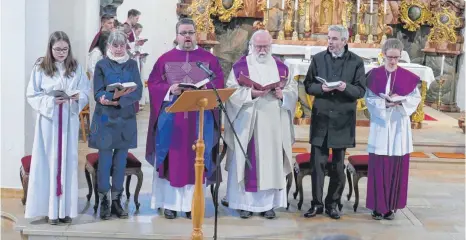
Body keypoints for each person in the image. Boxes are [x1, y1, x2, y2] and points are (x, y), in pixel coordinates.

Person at [146, 18, 224, 219]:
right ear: (177, 35)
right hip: (173, 121)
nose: (187, 36)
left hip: (200, 120)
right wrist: (170, 89)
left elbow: (220, 84)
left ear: (196, 34)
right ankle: (170, 204)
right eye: (183, 33)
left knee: (196, 161)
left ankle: (192, 205)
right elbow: (153, 84)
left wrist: (205, 90)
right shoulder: (165, 59)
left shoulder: (209, 60)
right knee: (172, 160)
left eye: (190, 32)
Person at [223, 30, 298, 219]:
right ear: (251, 46)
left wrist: (284, 95)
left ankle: (268, 205)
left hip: (273, 124)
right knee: (248, 162)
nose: (262, 50)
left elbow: (292, 91)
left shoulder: (282, 68)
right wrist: (250, 94)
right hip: (248, 121)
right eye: (259, 46)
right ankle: (245, 204)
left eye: (266, 46)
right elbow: (230, 92)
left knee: (271, 162)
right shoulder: (240, 67)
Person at [24, 31, 90, 225]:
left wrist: (78, 96)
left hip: (68, 121)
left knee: (67, 161)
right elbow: (32, 95)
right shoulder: (41, 67)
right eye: (57, 49)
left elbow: (85, 90)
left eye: (65, 49)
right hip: (49, 123)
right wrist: (51, 101)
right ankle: (49, 211)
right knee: (48, 162)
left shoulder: (75, 67)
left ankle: (65, 210)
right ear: (50, 48)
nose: (61, 53)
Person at [303, 25, 365, 219]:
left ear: (345, 41)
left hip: (342, 120)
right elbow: (308, 85)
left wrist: (345, 87)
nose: (330, 42)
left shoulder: (356, 62)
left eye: (335, 39)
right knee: (317, 164)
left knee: (338, 166)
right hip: (321, 118)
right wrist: (322, 88)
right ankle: (316, 203)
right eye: (329, 38)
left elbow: (360, 91)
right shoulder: (318, 59)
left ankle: (333, 204)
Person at [88, 30, 143, 220]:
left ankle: (117, 201)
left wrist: (119, 101)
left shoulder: (132, 64)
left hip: (125, 118)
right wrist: (108, 99)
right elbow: (97, 91)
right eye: (115, 45)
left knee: (120, 162)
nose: (119, 49)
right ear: (108, 46)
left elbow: (137, 92)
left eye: (122, 45)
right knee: (105, 162)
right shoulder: (102, 65)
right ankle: (104, 200)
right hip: (105, 119)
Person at [364, 38, 421, 220]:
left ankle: (391, 207)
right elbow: (369, 99)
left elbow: (415, 98)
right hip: (381, 124)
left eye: (397, 58)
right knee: (379, 165)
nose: (393, 61)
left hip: (399, 125)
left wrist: (401, 101)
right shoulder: (374, 75)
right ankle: (377, 206)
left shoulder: (407, 76)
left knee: (397, 165)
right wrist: (384, 104)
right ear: (384, 54)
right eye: (390, 57)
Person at [87, 31, 110, 120]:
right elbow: (92, 69)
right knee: (96, 109)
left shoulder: (103, 52)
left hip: (104, 85)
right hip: (96, 85)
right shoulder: (96, 52)